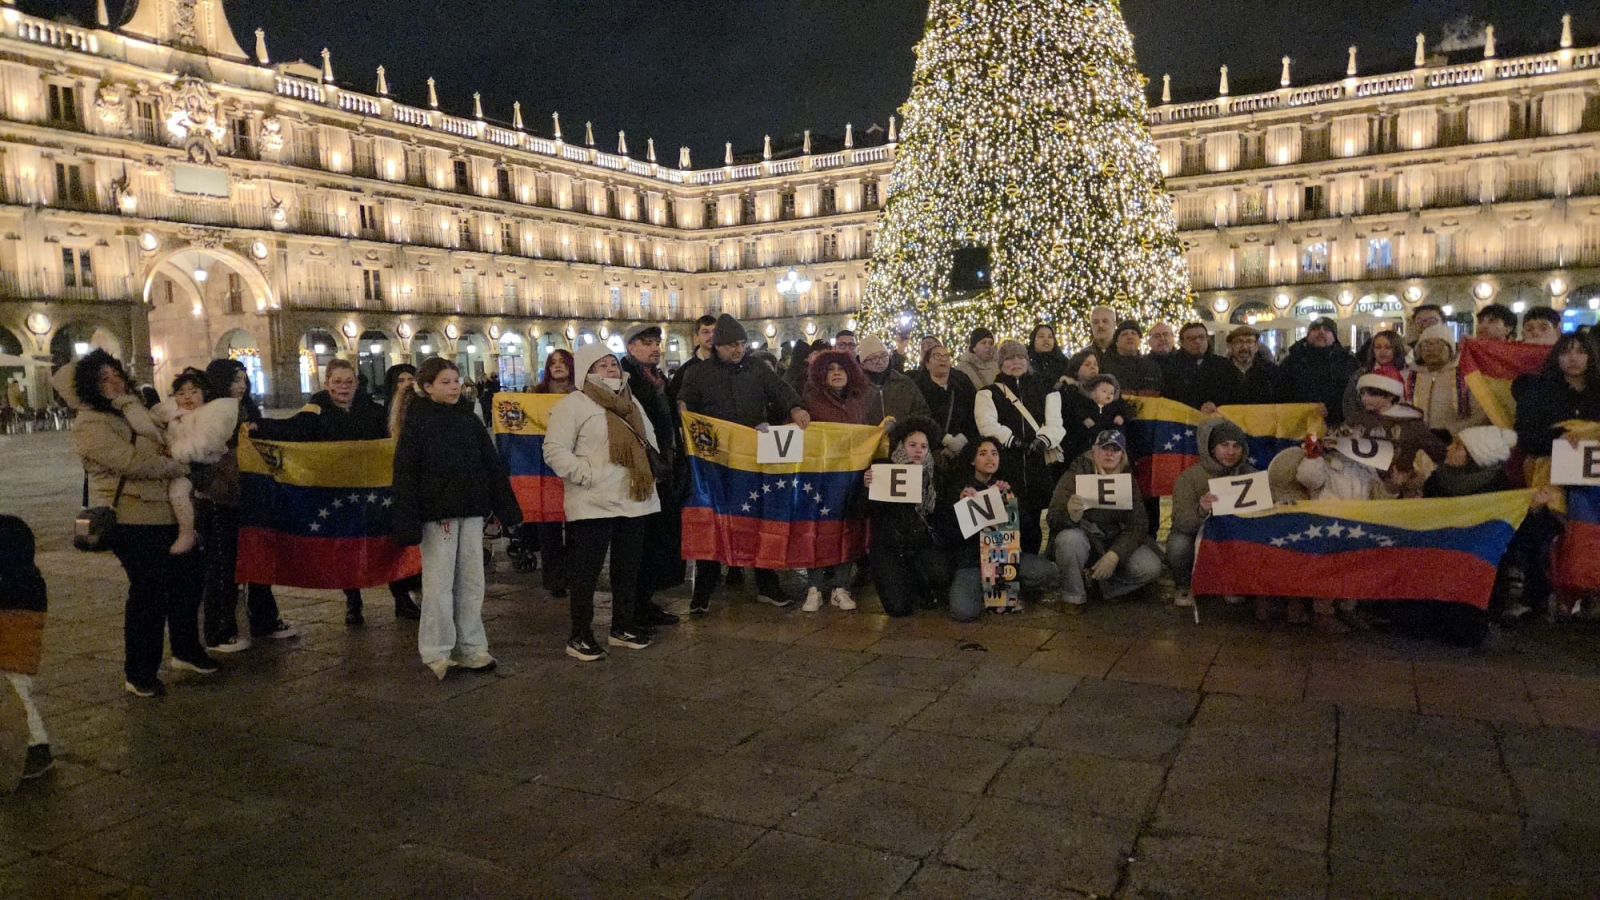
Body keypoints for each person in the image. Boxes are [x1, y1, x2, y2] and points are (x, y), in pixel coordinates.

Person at [54, 350, 215, 698]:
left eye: (116, 373)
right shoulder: (91, 423)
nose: (113, 381)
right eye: (102, 378)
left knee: (188, 583)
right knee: (149, 594)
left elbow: (169, 437)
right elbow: (133, 462)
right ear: (88, 387)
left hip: (170, 513)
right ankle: (140, 672)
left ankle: (187, 650)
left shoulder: (135, 408)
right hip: (132, 518)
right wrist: (182, 466)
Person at [391, 358, 522, 679]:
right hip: (438, 515)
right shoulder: (418, 422)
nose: (454, 387)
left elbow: (490, 463)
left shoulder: (467, 417)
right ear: (427, 387)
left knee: (472, 581)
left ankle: (472, 646)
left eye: (456, 381)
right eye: (446, 382)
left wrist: (506, 507)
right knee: (439, 584)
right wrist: (406, 518)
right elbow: (405, 474)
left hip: (471, 510)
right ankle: (437, 650)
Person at [676, 313, 811, 610]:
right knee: (715, 519)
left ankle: (766, 582)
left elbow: (781, 390)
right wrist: (684, 408)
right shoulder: (698, 373)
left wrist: (796, 407)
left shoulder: (757, 369)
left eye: (740, 343)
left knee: (757, 517)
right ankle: (704, 590)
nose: (737, 350)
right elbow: (686, 401)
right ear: (717, 347)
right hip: (717, 460)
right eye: (730, 345)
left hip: (753, 458)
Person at [543, 344, 662, 661]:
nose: (611, 368)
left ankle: (622, 627)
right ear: (586, 372)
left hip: (634, 498)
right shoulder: (574, 405)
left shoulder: (631, 400)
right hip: (592, 501)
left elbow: (649, 440)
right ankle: (579, 635)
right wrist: (586, 475)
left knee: (627, 568)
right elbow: (554, 450)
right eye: (602, 365)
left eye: (612, 363)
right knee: (586, 573)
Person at [255, 359, 391, 626]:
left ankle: (401, 597)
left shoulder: (373, 411)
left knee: (382, 539)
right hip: (335, 491)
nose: (343, 387)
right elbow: (292, 429)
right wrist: (259, 427)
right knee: (346, 544)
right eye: (337, 382)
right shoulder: (316, 409)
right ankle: (353, 599)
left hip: (370, 488)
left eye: (349, 382)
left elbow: (393, 433)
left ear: (356, 384)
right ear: (327, 384)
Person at [198, 359, 295, 652]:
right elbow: (200, 456)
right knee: (222, 566)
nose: (241, 385)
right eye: (234, 380)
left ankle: (264, 619)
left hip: (250, 495)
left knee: (258, 558)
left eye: (243, 379)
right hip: (220, 500)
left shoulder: (248, 410)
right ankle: (218, 630)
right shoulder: (209, 414)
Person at [939, 437, 1058, 622]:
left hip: (1004, 560)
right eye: (982, 453)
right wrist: (959, 506)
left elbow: (1026, 527)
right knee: (963, 612)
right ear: (972, 460)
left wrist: (1012, 502)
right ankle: (985, 592)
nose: (990, 458)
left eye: (994, 453)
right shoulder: (958, 488)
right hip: (972, 563)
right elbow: (950, 535)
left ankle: (1002, 589)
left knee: (1047, 572)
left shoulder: (1007, 485)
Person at [1047, 429, 1163, 612]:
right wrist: (1070, 516)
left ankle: (1104, 587)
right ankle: (1073, 596)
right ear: (1094, 450)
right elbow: (1052, 517)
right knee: (1068, 540)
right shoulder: (1074, 475)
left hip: (1113, 540)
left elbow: (1138, 524)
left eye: (1115, 450)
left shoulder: (1128, 481)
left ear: (1122, 455)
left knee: (1150, 567)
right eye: (1104, 448)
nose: (1109, 453)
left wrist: (1114, 554)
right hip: (1083, 539)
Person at [799, 348, 877, 610]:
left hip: (851, 478)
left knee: (848, 528)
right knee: (818, 530)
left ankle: (840, 587)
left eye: (841, 369)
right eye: (830, 370)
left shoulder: (858, 401)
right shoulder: (810, 400)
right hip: (820, 478)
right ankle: (814, 587)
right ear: (821, 374)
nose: (836, 374)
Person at [975, 339, 1064, 556]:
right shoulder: (988, 393)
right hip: (1006, 466)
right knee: (1004, 522)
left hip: (1036, 467)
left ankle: (1031, 568)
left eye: (1020, 357)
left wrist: (1043, 440)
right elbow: (987, 424)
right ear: (1001, 363)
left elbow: (1055, 422)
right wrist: (1011, 440)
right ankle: (1006, 576)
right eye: (1009, 358)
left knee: (1032, 524)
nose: (1015, 362)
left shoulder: (1046, 389)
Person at [620, 323, 683, 628]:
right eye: (646, 343)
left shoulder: (658, 380)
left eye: (657, 342)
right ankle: (633, 608)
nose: (655, 348)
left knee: (657, 539)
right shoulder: (625, 379)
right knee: (639, 542)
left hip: (664, 467)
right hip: (641, 468)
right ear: (631, 348)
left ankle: (646, 600)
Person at [863, 417, 948, 617]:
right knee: (898, 608)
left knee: (941, 573)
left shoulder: (936, 475)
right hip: (888, 548)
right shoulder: (882, 468)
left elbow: (944, 515)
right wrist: (866, 488)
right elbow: (861, 510)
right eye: (912, 445)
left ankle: (923, 584)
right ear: (901, 445)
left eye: (923, 446)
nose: (918, 450)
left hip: (921, 544)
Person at [1168, 418, 1254, 609]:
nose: (1231, 452)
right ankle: (1184, 585)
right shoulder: (1189, 477)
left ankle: (1232, 583)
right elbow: (1181, 521)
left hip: (1234, 537)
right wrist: (1201, 509)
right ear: (1212, 447)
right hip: (1198, 533)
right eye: (1224, 445)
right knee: (1179, 542)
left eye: (1236, 446)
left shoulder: (1250, 474)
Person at [152, 368, 239, 556]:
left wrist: (173, 452)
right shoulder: (171, 415)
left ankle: (187, 533)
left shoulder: (209, 414)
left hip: (201, 467)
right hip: (179, 463)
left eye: (194, 392)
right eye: (181, 393)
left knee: (178, 490)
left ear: (204, 393)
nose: (188, 397)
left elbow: (203, 444)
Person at [0, 515, 52, 779]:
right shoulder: (28, 577)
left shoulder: (13, 583)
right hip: (16, 654)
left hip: (12, 656)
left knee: (19, 702)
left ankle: (36, 748)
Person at [530, 349, 578, 598]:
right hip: (545, 469)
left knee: (576, 523)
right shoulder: (536, 396)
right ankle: (554, 578)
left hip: (573, 464)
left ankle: (573, 572)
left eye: (562, 362)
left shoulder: (581, 394)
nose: (558, 366)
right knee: (548, 524)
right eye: (553, 362)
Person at [1275, 317, 1359, 428]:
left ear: (1334, 337)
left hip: (1335, 426)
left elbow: (1353, 396)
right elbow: (1280, 392)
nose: (1321, 332)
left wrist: (1331, 409)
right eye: (1315, 329)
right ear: (1308, 334)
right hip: (1297, 426)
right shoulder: (1292, 361)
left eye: (1327, 330)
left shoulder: (1348, 362)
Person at [1406, 324, 1487, 436]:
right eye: (1426, 344)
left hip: (1455, 442)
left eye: (1438, 344)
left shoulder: (1465, 375)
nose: (1431, 349)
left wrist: (1450, 432)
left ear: (1450, 348)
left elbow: (1480, 414)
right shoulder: (1410, 376)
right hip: (1417, 440)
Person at [912, 342, 978, 466]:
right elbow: (919, 419)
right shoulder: (918, 387)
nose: (943, 359)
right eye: (937, 356)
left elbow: (974, 413)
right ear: (927, 363)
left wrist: (962, 439)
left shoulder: (962, 384)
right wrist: (946, 440)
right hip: (927, 451)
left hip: (961, 451)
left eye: (946, 356)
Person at [1062, 373, 1134, 464]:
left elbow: (1128, 412)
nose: (1108, 394)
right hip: (1088, 445)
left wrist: (1121, 417)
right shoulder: (1086, 406)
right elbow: (1077, 413)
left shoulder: (1116, 408)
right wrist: (1084, 418)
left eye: (1111, 393)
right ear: (1092, 394)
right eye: (1104, 391)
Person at [858, 335, 930, 424]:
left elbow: (921, 411)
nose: (880, 362)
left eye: (884, 356)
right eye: (874, 358)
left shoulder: (903, 383)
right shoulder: (857, 387)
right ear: (863, 364)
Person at [1342, 330, 1407, 424]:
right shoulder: (1362, 373)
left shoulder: (1406, 373)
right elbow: (1350, 402)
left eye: (1388, 347)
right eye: (1378, 347)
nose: (1382, 352)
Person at [1162, 323, 1228, 413]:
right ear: (1182, 342)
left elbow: (1232, 395)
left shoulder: (1223, 365)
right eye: (1191, 338)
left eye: (1201, 337)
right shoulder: (1170, 366)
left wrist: (1215, 405)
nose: (1197, 341)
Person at [1212, 326, 1279, 406]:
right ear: (1230, 346)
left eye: (1249, 342)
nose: (1244, 347)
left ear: (1256, 346)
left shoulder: (1270, 371)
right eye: (1239, 342)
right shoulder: (1217, 372)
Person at [1099, 320, 1163, 396]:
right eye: (1124, 334)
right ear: (1116, 342)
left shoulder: (1152, 366)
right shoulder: (1104, 367)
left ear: (1140, 340)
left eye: (1134, 333)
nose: (1130, 337)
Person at [667, 314, 719, 406]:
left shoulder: (727, 364)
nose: (711, 336)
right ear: (696, 337)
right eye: (705, 332)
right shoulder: (685, 371)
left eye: (715, 332)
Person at [1027, 324, 1069, 389]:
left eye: (1050, 337)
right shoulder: (1026, 362)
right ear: (1033, 340)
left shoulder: (1063, 362)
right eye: (1041, 336)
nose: (1046, 340)